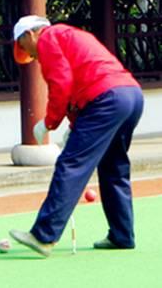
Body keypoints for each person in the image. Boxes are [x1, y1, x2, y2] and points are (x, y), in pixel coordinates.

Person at [9, 15, 144, 257]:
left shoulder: (48, 38)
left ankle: (44, 235)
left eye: (24, 48)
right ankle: (122, 235)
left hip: (106, 100)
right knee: (114, 167)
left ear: (29, 34)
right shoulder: (71, 35)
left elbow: (61, 82)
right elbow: (83, 79)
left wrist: (49, 123)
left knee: (71, 164)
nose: (32, 57)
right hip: (130, 95)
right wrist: (74, 124)